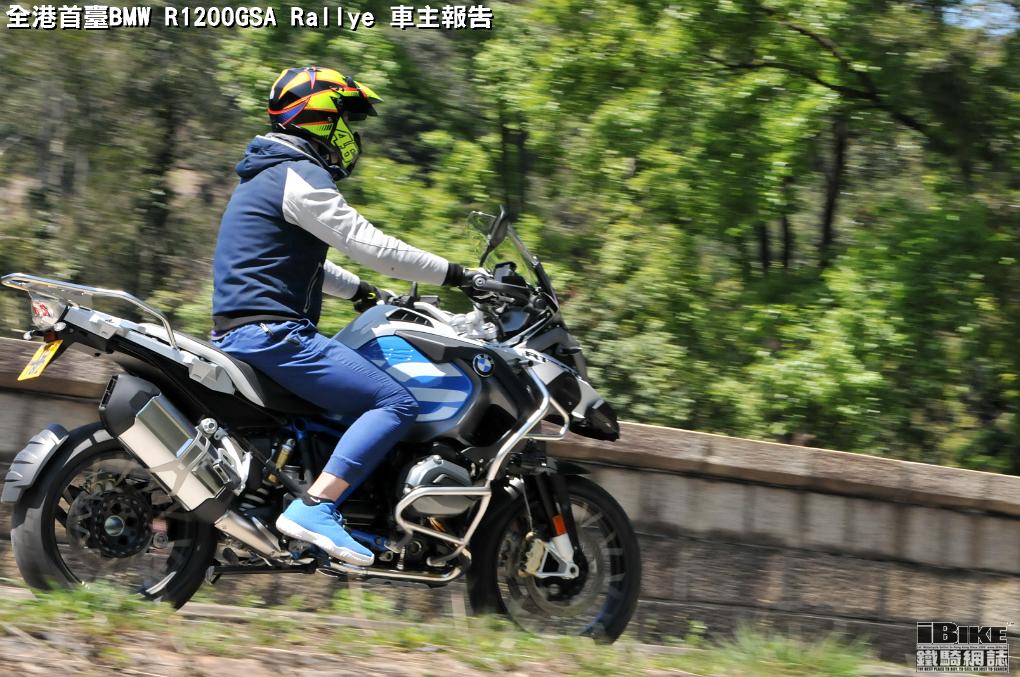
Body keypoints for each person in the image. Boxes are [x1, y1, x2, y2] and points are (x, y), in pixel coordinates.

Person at [210, 66, 482, 566]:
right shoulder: (298, 173)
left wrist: (359, 291)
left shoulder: (264, 175)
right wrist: (461, 275)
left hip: (246, 332)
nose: (351, 134)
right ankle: (317, 507)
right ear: (319, 117)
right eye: (345, 119)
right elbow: (370, 245)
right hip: (275, 334)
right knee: (394, 402)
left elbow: (297, 263)